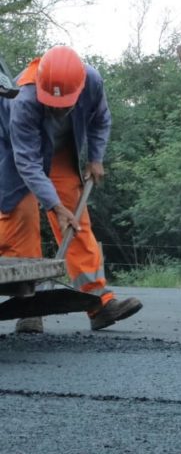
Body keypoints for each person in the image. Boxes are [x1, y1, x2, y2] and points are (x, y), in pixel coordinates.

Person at [0, 45, 143, 333]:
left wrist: (96, 158)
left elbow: (101, 119)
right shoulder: (23, 100)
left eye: (64, 103)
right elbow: (27, 162)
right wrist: (54, 206)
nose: (58, 108)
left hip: (60, 150)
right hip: (17, 152)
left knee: (76, 221)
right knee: (21, 221)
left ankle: (99, 304)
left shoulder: (91, 80)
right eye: (52, 103)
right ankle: (29, 309)